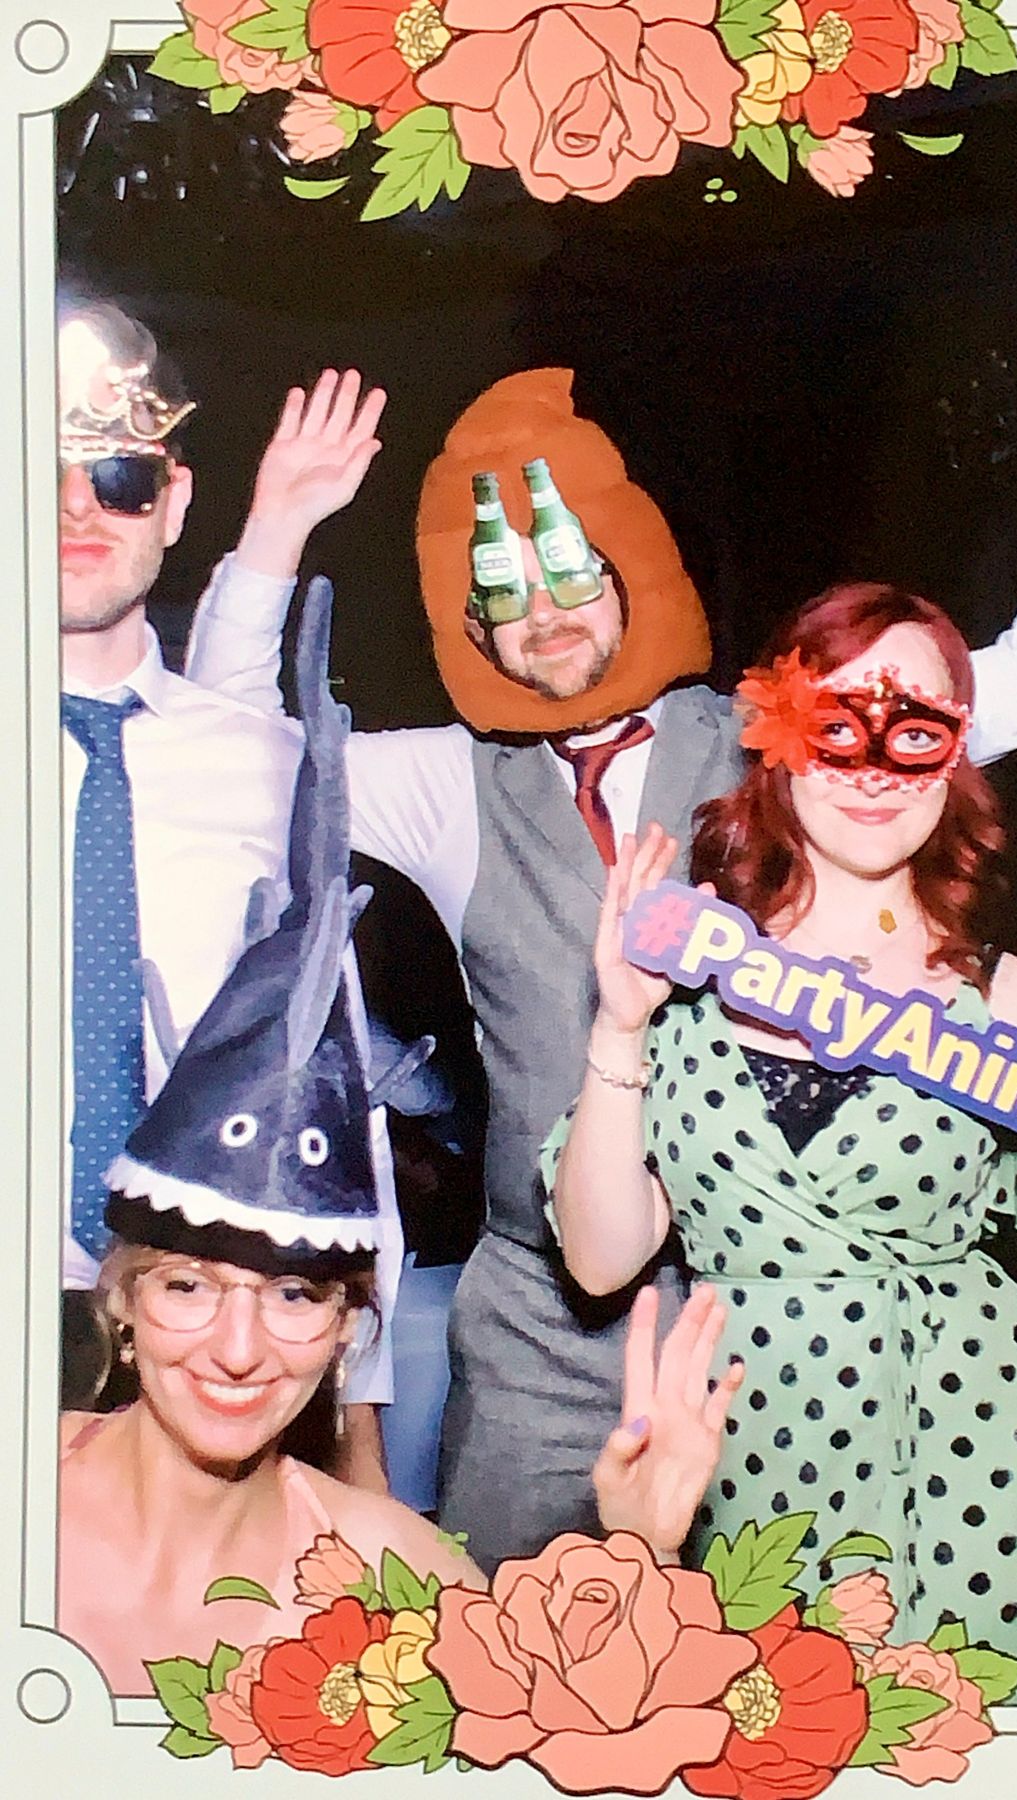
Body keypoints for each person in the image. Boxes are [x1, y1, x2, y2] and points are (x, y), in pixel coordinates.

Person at [182, 246, 1017, 1571]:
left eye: (569, 569)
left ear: (626, 561)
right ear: (467, 622)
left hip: (766, 1304)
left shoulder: (768, 733)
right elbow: (233, 754)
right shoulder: (447, 784)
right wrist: (275, 528)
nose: (546, 617)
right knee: (500, 1654)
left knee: (771, 1670)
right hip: (537, 1319)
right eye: (499, 594)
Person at [58, 577, 740, 1693]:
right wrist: (273, 536)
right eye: (189, 1288)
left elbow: (541, 1716)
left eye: (295, 1297)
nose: (240, 1347)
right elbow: (268, 762)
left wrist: (639, 1549)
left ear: (351, 1330)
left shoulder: (396, 1576)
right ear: (119, 1298)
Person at [546, 580, 1017, 1706]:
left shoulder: (1003, 998)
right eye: (835, 720)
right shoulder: (686, 973)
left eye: (916, 731)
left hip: (991, 1481)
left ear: (953, 759)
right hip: (750, 1471)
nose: (871, 764)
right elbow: (602, 1259)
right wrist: (619, 1022)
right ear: (776, 735)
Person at [55, 295, 400, 1488]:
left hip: (214, 1334)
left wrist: (360, 1413)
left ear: (175, 503)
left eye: (118, 477)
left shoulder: (260, 760)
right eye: (36, 470)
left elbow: (326, 1060)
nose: (75, 510)